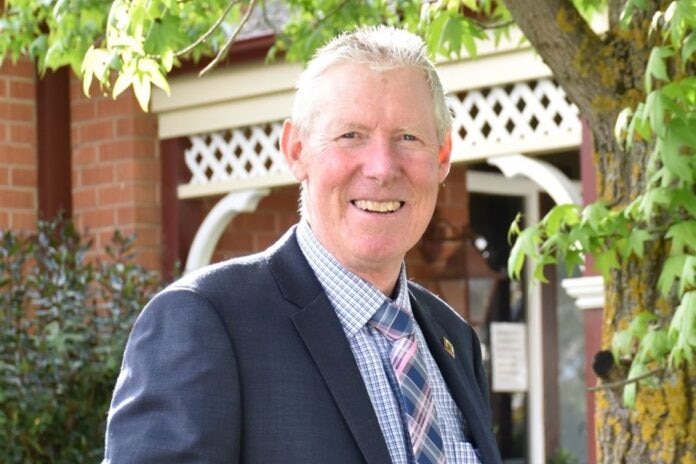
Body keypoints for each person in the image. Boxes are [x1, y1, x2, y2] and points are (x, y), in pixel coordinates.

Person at [103, 25, 502, 464]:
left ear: (442, 157)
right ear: (296, 150)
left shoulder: (453, 338)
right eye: (351, 135)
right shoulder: (206, 321)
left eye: (408, 137)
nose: (383, 167)